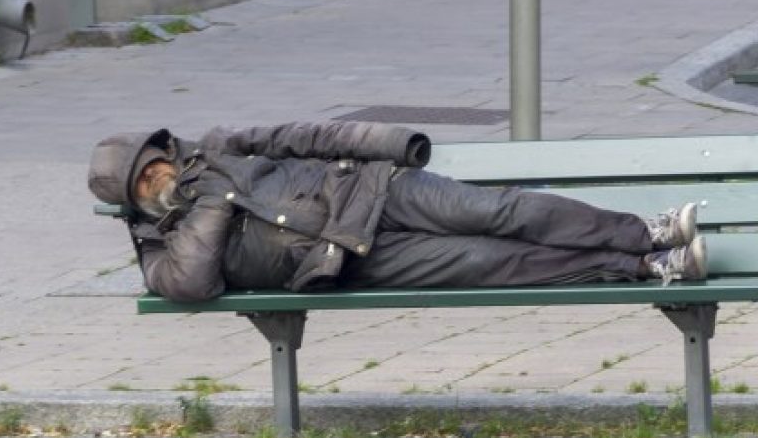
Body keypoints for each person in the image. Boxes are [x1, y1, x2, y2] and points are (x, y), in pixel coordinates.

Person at [88, 122, 707, 303]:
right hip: (346, 259)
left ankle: (644, 232)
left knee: (499, 210)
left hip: (370, 189)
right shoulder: (160, 252)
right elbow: (193, 283)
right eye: (142, 183)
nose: (156, 179)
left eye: (154, 164)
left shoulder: (219, 146)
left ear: (163, 152)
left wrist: (390, 143)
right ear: (131, 201)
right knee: (496, 262)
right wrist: (210, 201)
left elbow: (305, 136)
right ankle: (648, 268)